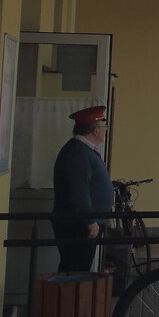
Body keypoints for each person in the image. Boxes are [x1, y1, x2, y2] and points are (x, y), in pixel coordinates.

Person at [50, 105, 114, 273]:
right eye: (104, 127)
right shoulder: (78, 153)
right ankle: (68, 299)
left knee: (78, 267)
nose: (105, 130)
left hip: (81, 222)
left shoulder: (83, 150)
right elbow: (79, 191)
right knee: (75, 269)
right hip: (77, 224)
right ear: (95, 130)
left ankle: (70, 298)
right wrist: (90, 221)